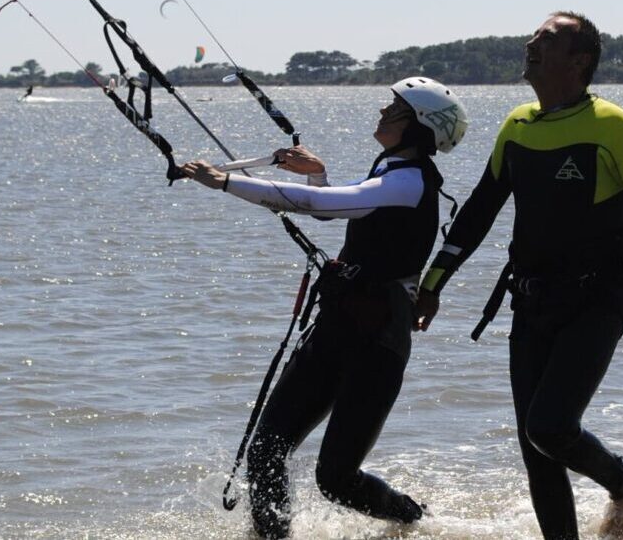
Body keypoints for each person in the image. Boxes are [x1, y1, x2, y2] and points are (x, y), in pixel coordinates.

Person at [414, 11, 623, 539]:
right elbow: (478, 212)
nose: (530, 43)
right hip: (531, 302)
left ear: (579, 61)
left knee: (549, 426)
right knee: (537, 449)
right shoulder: (518, 125)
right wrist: (432, 283)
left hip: (599, 300)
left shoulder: (614, 128)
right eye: (534, 37)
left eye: (546, 39)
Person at [181, 77, 468, 539]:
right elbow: (333, 205)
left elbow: (322, 204)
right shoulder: (390, 172)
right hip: (336, 328)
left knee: (335, 480)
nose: (381, 111)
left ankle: (415, 521)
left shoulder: (410, 182)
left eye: (393, 108)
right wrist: (317, 172)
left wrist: (226, 182)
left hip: (378, 345)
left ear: (418, 127)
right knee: (266, 453)